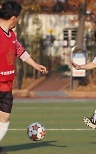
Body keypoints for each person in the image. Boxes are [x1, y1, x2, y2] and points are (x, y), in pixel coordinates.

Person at [0, 1, 47, 152]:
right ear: (13, 18)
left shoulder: (12, 35)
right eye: (18, 17)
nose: (18, 20)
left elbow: (20, 52)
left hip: (6, 85)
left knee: (5, 118)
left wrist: (36, 65)